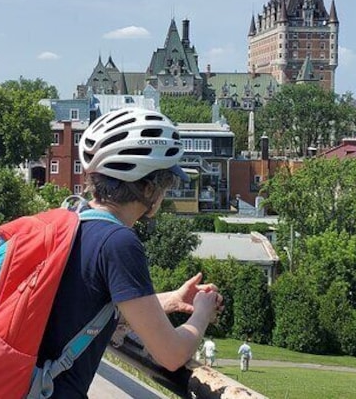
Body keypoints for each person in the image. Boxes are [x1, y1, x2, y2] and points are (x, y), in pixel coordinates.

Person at [37, 107, 224, 397]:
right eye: (167, 182)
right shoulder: (118, 243)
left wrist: (172, 300)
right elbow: (171, 354)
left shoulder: (72, 220)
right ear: (149, 188)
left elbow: (86, 306)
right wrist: (202, 313)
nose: (167, 192)